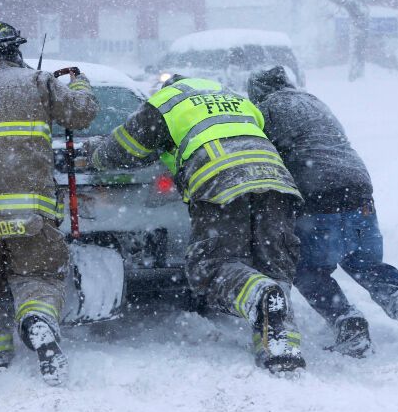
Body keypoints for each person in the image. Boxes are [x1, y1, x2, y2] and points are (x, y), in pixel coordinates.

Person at [83, 74, 306, 373]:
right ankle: (281, 348)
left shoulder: (166, 103)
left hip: (221, 181)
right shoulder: (235, 97)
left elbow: (123, 150)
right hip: (276, 182)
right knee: (272, 261)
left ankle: (260, 295)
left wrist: (94, 153)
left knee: (213, 265)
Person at [246, 66, 398, 364]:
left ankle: (347, 322)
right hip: (359, 192)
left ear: (257, 93)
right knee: (367, 264)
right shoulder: (312, 101)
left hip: (318, 197)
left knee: (307, 270)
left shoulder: (265, 110)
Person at [0, 20, 98, 384]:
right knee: (38, 275)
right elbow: (82, 113)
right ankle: (38, 320)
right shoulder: (38, 82)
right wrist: (78, 81)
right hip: (29, 214)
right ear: (16, 51)